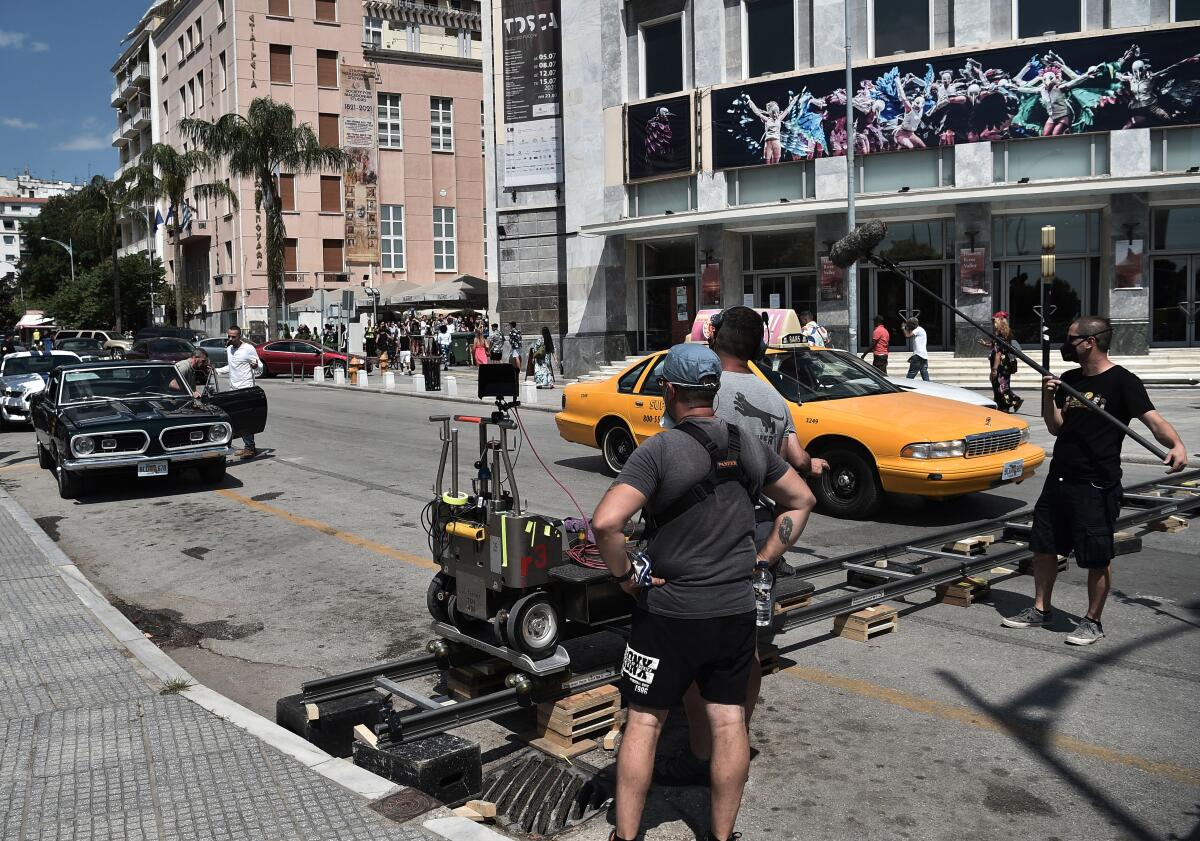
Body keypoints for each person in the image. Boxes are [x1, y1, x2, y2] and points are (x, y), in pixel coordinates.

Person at [591, 343, 812, 841]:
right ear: (713, 389)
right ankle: (721, 836)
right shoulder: (746, 443)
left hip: (669, 612)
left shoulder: (660, 449)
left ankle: (626, 837)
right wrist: (764, 559)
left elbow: (606, 523)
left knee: (644, 722)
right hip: (734, 609)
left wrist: (626, 577)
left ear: (669, 390)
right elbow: (800, 500)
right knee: (730, 721)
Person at [656, 306, 825, 788]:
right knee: (744, 646)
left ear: (714, 342)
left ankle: (701, 751)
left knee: (691, 649)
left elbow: (671, 463)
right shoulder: (774, 397)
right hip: (761, 532)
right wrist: (768, 556)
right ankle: (735, 733)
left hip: (703, 533)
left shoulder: (702, 392)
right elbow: (797, 462)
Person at [1001, 316, 1188, 645]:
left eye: (1072, 338)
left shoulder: (1123, 382)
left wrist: (1177, 445)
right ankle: (1041, 610)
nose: (1066, 343)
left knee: (1096, 557)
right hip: (1059, 478)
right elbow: (1057, 427)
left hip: (1096, 483)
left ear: (1090, 342)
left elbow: (1153, 421)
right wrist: (1048, 397)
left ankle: (1092, 621)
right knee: (1044, 548)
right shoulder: (1071, 379)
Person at [215, 325, 262, 459]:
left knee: (245, 418)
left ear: (239, 336)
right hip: (233, 388)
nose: (230, 339)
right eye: (229, 336)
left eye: (233, 337)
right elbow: (232, 366)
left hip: (246, 389)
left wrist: (256, 365)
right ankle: (247, 446)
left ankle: (250, 448)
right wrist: (217, 370)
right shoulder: (229, 349)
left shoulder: (248, 349)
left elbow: (260, 366)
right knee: (236, 418)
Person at [984, 312, 1022, 413]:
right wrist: (988, 345)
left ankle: (1005, 406)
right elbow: (997, 348)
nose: (993, 323)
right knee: (1003, 386)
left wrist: (994, 369)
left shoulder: (1000, 336)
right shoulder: (1005, 333)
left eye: (994, 321)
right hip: (1004, 366)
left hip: (1001, 367)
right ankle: (1011, 402)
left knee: (1000, 387)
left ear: (1000, 321)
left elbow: (998, 353)